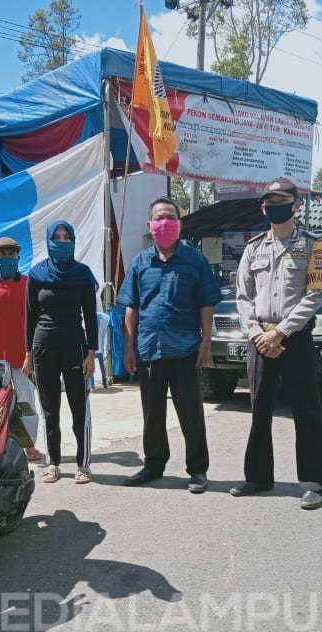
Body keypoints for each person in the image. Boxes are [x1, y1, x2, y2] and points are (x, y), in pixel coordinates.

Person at [229, 177, 322, 510]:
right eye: (269, 201)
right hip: (260, 338)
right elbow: (242, 296)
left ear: (296, 204)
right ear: (262, 207)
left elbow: (315, 293)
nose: (275, 206)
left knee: (306, 409)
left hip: (294, 337)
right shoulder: (254, 247)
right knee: (259, 408)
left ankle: (313, 482)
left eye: (282, 200)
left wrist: (281, 332)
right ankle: (258, 477)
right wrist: (258, 332)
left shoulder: (314, 245)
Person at [118, 197, 222, 493]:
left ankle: (198, 470)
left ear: (179, 223)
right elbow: (131, 308)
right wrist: (129, 347)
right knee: (152, 414)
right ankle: (153, 465)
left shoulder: (195, 261)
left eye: (169, 217)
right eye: (158, 217)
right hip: (150, 349)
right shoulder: (140, 262)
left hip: (185, 349)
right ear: (151, 226)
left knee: (190, 412)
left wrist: (206, 343)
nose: (164, 222)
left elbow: (206, 305)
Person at [23, 221, 98, 485]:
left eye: (66, 236)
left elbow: (90, 317)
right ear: (48, 240)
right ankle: (53, 463)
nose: (62, 241)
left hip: (75, 345)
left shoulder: (83, 274)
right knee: (49, 407)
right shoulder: (37, 274)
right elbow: (29, 317)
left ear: (73, 240)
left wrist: (92, 353)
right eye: (57, 237)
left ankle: (84, 463)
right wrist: (28, 354)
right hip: (43, 347)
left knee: (79, 406)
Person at [0, 236, 44, 463]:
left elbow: (38, 319)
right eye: (2, 254)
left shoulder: (29, 284)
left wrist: (34, 352)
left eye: (11, 254)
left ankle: (29, 446)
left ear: (18, 257)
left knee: (27, 404)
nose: (7, 258)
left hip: (24, 357)